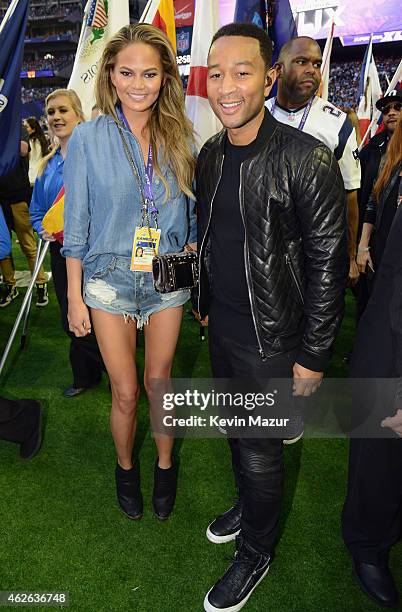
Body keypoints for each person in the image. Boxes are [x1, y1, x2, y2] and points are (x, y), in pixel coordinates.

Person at [197, 23, 347, 612]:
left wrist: (312, 355)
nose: (226, 86)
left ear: (267, 78)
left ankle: (257, 549)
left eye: (241, 71)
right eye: (216, 72)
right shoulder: (211, 154)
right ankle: (250, 507)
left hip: (275, 341)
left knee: (261, 448)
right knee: (239, 434)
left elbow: (328, 263)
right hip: (224, 328)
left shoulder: (306, 158)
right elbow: (215, 238)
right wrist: (204, 302)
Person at [62, 24, 197, 521]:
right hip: (107, 279)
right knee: (125, 391)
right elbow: (75, 225)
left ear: (165, 78)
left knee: (159, 382)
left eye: (150, 73)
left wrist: (194, 257)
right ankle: (125, 469)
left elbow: (193, 211)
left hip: (168, 274)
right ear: (111, 78)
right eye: (127, 73)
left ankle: (164, 467)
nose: (138, 84)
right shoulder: (88, 139)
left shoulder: (180, 134)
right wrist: (75, 298)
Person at [342, 117, 402, 608]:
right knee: (381, 433)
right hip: (391, 318)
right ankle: (368, 541)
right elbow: (373, 211)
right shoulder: (392, 162)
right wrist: (360, 245)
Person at [266, 37, 361, 288]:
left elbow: (350, 195)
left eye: (317, 64)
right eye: (301, 61)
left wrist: (350, 257)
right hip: (263, 247)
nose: (311, 69)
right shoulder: (257, 115)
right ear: (278, 70)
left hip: (315, 252)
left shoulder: (338, 124)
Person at [30, 89, 105, 398]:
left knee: (101, 317)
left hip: (95, 251)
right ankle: (87, 375)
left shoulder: (96, 158)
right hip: (61, 255)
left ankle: (119, 371)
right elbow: (36, 211)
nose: (57, 117)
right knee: (70, 319)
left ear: (78, 114)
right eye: (51, 112)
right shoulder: (46, 166)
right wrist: (42, 229)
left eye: (63, 110)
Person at [356, 90, 402, 300]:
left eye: (397, 107)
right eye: (386, 109)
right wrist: (362, 245)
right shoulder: (372, 149)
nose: (391, 112)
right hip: (379, 240)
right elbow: (370, 201)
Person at [0, 125, 48, 308]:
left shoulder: (15, 126)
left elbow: (22, 149)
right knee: (3, 248)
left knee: (28, 244)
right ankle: (10, 285)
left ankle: (40, 283)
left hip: (17, 196)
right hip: (1, 199)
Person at [24, 117, 50, 188]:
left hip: (32, 176)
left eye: (26, 127)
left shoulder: (32, 142)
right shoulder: (42, 140)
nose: (24, 129)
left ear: (33, 129)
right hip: (42, 175)